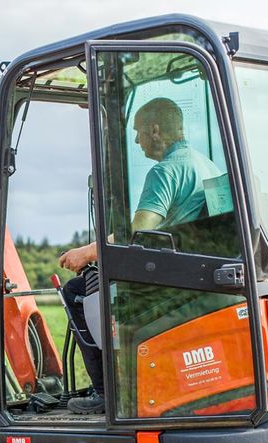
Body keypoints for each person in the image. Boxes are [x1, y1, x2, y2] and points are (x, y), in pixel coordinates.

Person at [59, 97, 222, 414]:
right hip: (192, 275)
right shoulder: (203, 163)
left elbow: (136, 235)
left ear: (156, 131)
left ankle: (105, 393)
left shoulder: (166, 172)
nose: (136, 140)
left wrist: (87, 252)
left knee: (76, 291)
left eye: (138, 133)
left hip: (167, 285)